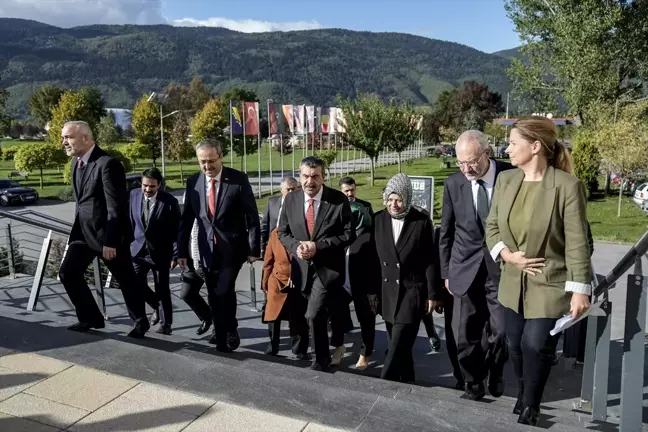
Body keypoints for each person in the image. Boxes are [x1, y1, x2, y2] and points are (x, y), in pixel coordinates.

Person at [486, 116, 591, 426]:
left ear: (535, 147)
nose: (507, 149)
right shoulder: (506, 181)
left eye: (513, 143)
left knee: (536, 343)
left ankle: (531, 403)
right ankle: (524, 391)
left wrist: (580, 289)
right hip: (512, 279)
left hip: (549, 281)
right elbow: (492, 226)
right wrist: (507, 255)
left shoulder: (567, 186)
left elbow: (576, 241)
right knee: (514, 344)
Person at [439, 130, 512, 401]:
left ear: (487, 153)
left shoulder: (511, 175)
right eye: (461, 163)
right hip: (464, 268)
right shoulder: (453, 184)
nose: (467, 168)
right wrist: (446, 272)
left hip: (502, 267)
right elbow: (445, 232)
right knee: (465, 334)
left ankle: (496, 370)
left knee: (502, 331)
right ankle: (473, 383)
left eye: (472, 162)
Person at [58, 120, 149, 338]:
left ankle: (140, 321)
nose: (64, 142)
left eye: (68, 137)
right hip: (83, 234)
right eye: (63, 138)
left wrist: (111, 241)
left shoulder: (108, 164)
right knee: (67, 273)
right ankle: (90, 317)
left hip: (107, 236)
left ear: (85, 138)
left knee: (126, 279)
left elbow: (115, 207)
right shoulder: (76, 164)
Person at [177, 138, 261, 353]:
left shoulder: (238, 179)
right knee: (215, 293)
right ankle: (225, 330)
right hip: (205, 250)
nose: (207, 166)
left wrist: (254, 249)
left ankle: (225, 336)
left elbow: (251, 217)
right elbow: (186, 220)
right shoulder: (193, 182)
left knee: (223, 290)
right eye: (202, 161)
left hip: (232, 249)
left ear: (220, 157)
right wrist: (182, 252)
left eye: (211, 161)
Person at [277, 156, 355, 371]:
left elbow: (348, 235)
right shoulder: (291, 200)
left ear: (323, 177)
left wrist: (318, 246)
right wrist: (296, 247)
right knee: (309, 315)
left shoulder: (338, 200)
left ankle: (320, 360)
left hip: (327, 269)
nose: (309, 181)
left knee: (314, 313)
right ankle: (321, 352)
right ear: (300, 175)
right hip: (301, 270)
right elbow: (282, 232)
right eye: (305, 176)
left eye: (315, 176)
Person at [373, 173, 440, 382]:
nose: (394, 204)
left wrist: (432, 293)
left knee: (397, 345)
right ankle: (409, 382)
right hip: (387, 293)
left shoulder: (420, 222)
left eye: (399, 199)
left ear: (407, 199)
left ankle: (384, 384)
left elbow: (430, 260)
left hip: (412, 291)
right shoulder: (378, 220)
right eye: (390, 199)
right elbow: (371, 259)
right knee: (399, 345)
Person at [129, 167, 180, 335]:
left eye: (152, 186)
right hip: (138, 252)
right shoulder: (134, 195)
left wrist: (175, 254)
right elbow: (131, 222)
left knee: (162, 289)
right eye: (145, 186)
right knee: (134, 285)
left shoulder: (169, 201)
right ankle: (150, 312)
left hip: (160, 253)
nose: (148, 190)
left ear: (159, 185)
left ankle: (166, 325)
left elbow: (176, 231)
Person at [261, 229, 310, 358]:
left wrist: (295, 274)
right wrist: (265, 282)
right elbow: (268, 259)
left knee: (299, 316)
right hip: (277, 279)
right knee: (273, 315)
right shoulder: (275, 234)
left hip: (299, 280)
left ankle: (299, 350)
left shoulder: (304, 233)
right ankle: (273, 346)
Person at [261, 176, 299, 255]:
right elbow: (264, 225)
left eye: (293, 189)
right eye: (288, 189)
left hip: (292, 247)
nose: (291, 192)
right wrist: (262, 246)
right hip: (273, 245)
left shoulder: (301, 205)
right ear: (281, 190)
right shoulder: (272, 203)